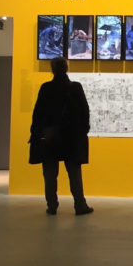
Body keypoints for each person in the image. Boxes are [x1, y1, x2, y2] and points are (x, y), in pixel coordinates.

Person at [29, 57, 94, 216]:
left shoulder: (46, 88)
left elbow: (38, 114)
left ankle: (52, 206)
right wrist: (82, 132)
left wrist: (36, 133)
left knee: (50, 174)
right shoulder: (75, 88)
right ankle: (80, 205)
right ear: (66, 68)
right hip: (71, 138)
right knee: (74, 173)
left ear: (53, 69)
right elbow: (85, 112)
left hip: (50, 138)